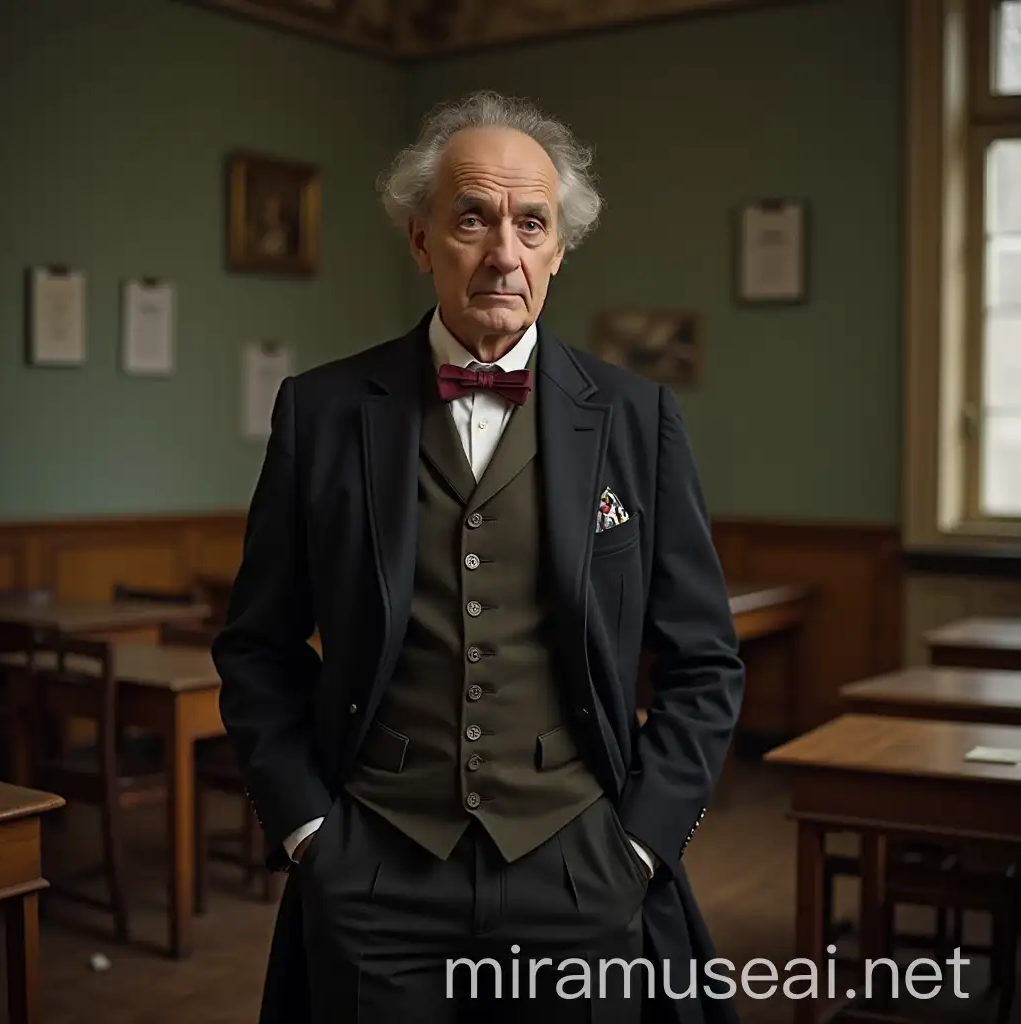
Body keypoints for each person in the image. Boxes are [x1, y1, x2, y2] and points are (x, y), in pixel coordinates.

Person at [212, 89, 745, 1024]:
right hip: (373, 867)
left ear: (559, 247)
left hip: (582, 865)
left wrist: (640, 846)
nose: (503, 252)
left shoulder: (636, 418)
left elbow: (704, 661)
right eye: (472, 218)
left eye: (530, 223)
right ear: (421, 240)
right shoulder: (323, 411)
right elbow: (257, 646)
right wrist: (306, 831)